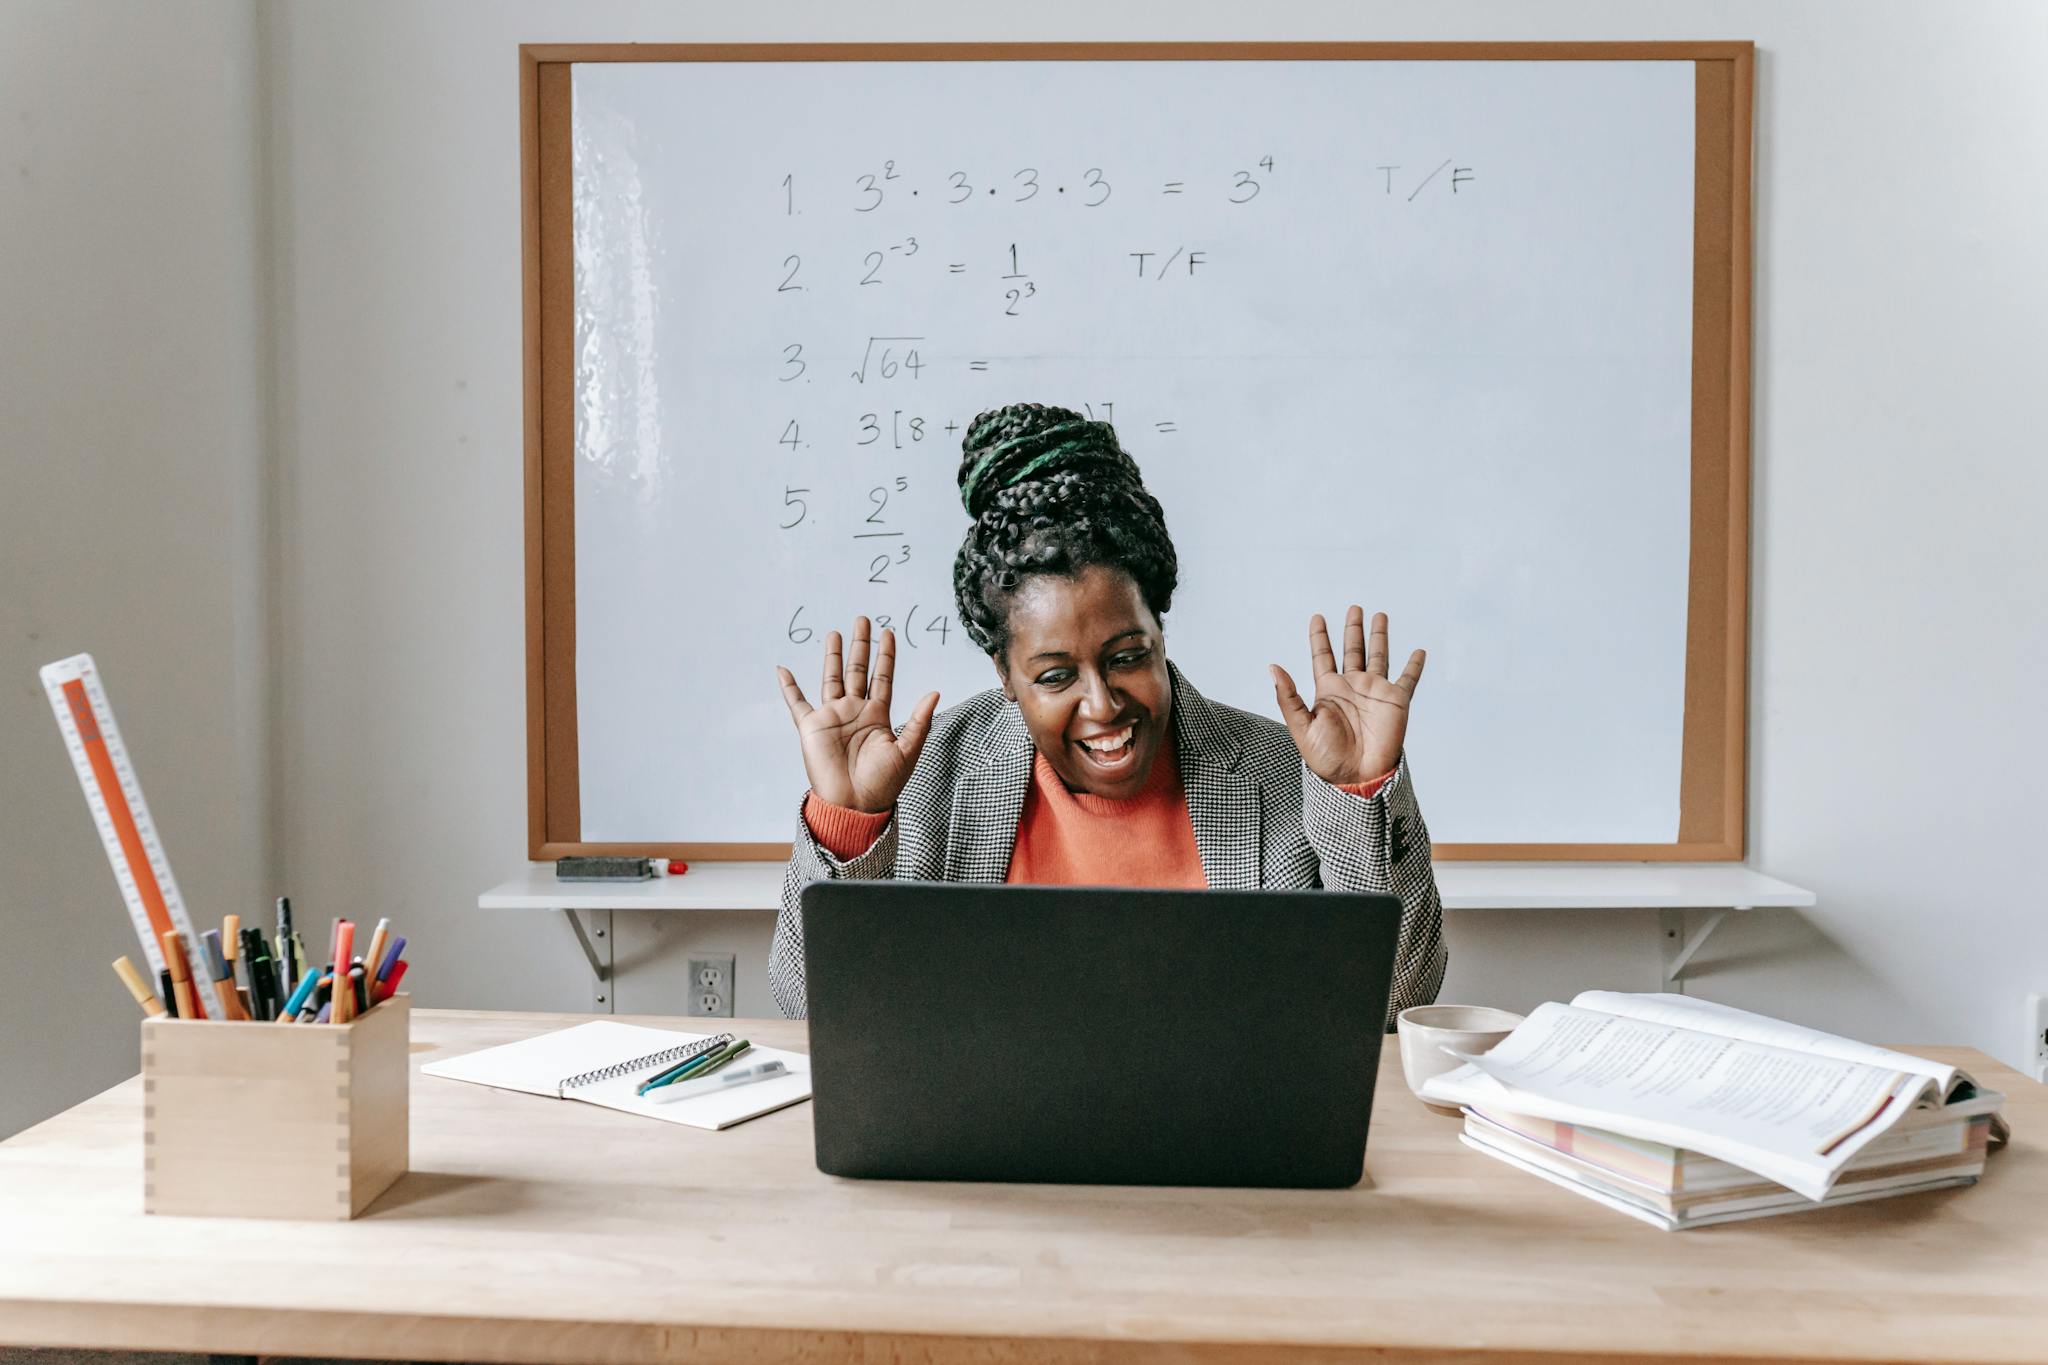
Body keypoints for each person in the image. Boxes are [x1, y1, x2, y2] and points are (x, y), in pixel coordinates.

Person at [769, 402, 1446, 1025]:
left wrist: (1358, 794)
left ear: (1160, 631)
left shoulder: (1284, 775)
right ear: (1005, 674)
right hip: (992, 1150)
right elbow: (809, 1006)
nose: (1102, 704)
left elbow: (1395, 1004)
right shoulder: (924, 782)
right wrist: (850, 824)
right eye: (1057, 675)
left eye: (1126, 656)